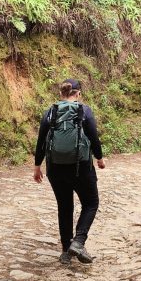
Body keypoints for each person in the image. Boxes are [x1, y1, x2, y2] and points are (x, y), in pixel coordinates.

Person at [33, 78, 106, 265]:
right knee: (90, 203)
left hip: (55, 167)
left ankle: (66, 250)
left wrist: (37, 166)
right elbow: (93, 136)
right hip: (80, 166)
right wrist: (99, 158)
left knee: (64, 207)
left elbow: (41, 140)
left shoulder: (51, 112)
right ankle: (79, 241)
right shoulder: (84, 111)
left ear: (61, 94)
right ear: (78, 94)